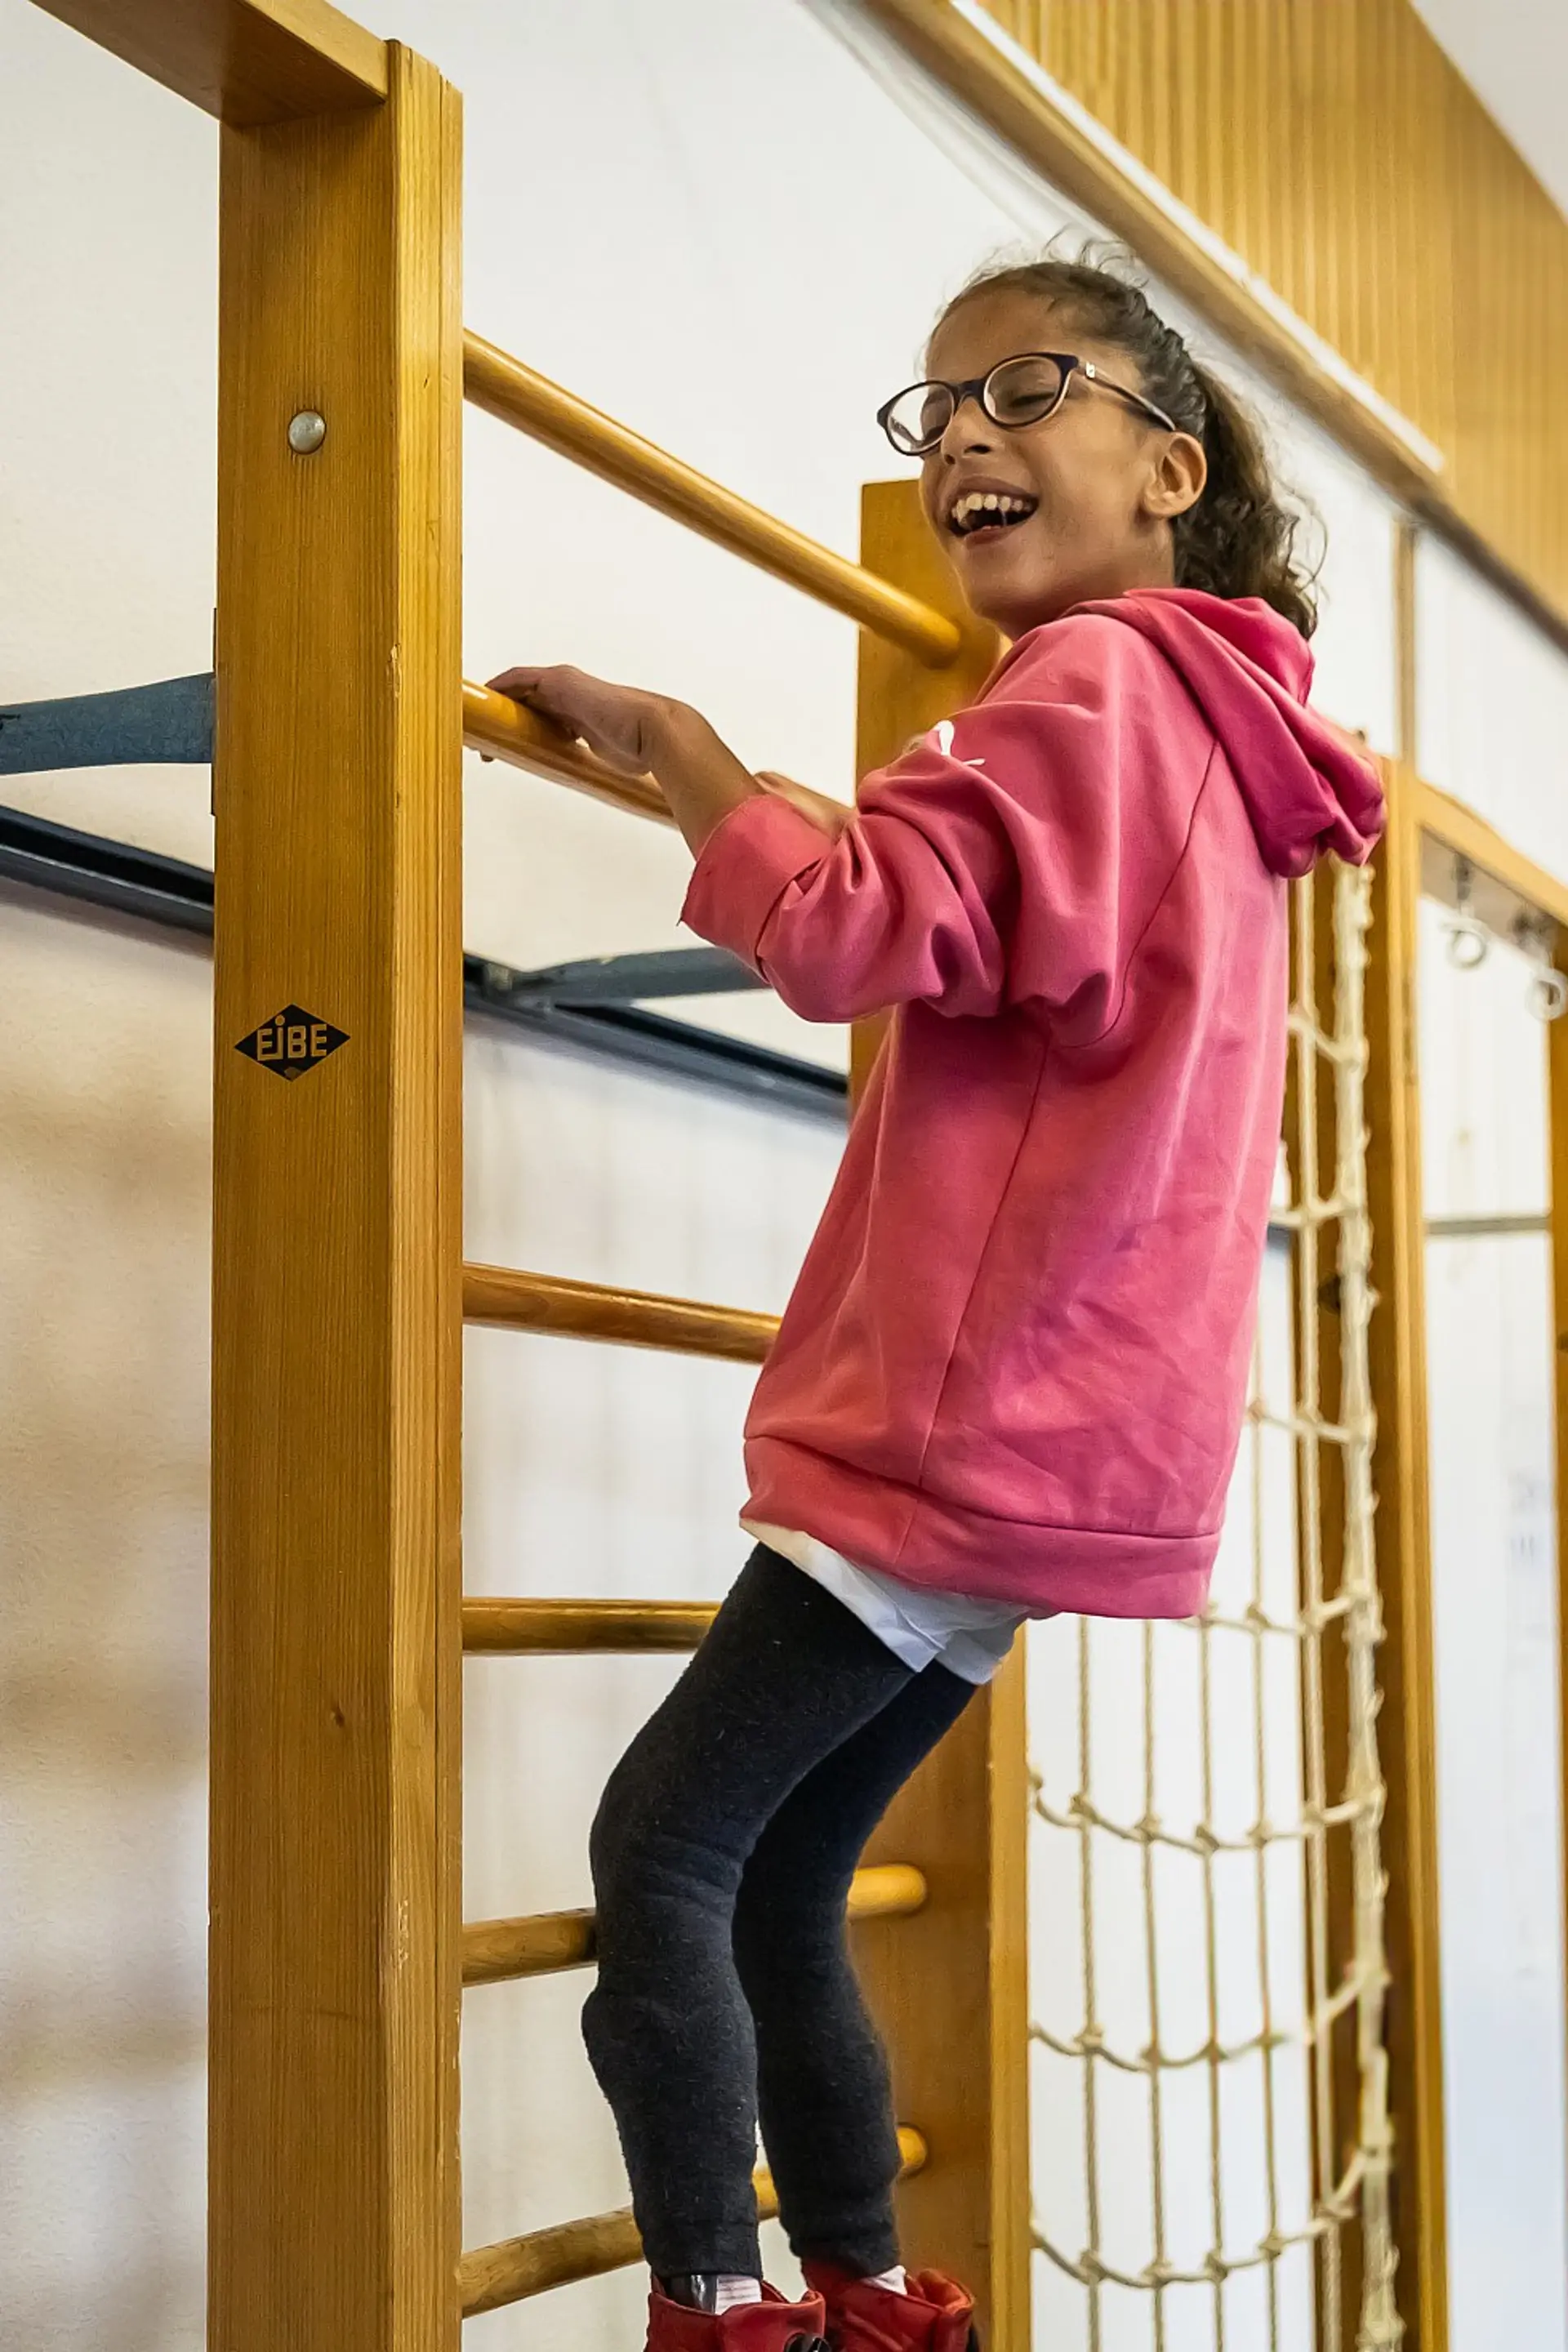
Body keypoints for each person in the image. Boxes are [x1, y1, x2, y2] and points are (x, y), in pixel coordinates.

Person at [488, 254, 1384, 2352]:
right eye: (937, 411)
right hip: (1083, 1446)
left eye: (1025, 389)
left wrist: (684, 749)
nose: (965, 435)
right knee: (788, 1880)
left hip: (957, 1424)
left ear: (1169, 469)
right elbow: (969, 932)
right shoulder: (1217, 734)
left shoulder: (1089, 687)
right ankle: (879, 2301)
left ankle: (718, 2307)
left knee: (666, 1855)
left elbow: (846, 927)